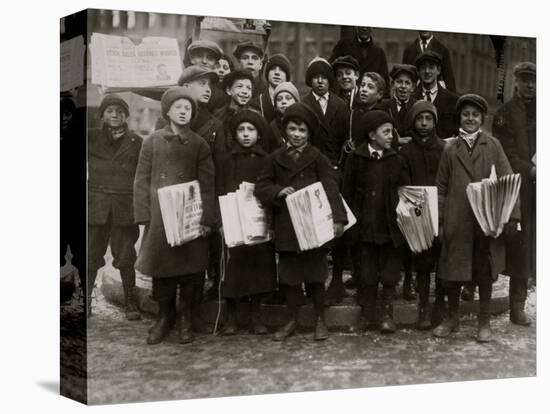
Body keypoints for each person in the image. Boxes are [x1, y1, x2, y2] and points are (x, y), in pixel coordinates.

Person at [255, 102, 347, 341]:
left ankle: (319, 319)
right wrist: (277, 191)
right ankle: (291, 319)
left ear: (309, 134)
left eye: (302, 130)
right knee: (290, 278)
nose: (297, 134)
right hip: (286, 225)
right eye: (293, 129)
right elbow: (261, 187)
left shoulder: (318, 158)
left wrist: (338, 219)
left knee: (315, 276)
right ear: (285, 130)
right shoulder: (274, 159)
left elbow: (331, 187)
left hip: (314, 226)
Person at [433, 94, 520, 342]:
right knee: (453, 272)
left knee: (483, 272)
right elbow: (440, 186)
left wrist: (512, 217)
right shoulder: (450, 148)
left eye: (475, 115)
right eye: (465, 114)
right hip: (456, 220)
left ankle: (484, 322)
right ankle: (452, 318)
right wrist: (440, 221)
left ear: (482, 119)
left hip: (486, 222)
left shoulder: (492, 146)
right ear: (459, 118)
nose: (470, 119)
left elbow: (509, 181)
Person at [134, 88, 216, 345]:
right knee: (163, 271)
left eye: (188, 108)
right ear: (167, 111)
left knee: (191, 271)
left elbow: (208, 183)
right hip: (161, 218)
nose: (183, 112)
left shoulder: (199, 144)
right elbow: (141, 179)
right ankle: (165, 316)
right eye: (178, 107)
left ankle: (185, 318)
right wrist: (144, 215)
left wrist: (206, 220)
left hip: (190, 217)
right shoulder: (153, 142)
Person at [342, 110, 410, 334]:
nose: (391, 136)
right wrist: (349, 223)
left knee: (389, 272)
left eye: (392, 131)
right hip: (364, 228)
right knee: (366, 273)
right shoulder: (356, 159)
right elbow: (347, 192)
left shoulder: (396, 160)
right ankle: (366, 315)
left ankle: (387, 314)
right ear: (372, 135)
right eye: (386, 132)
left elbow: (406, 192)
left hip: (389, 228)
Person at [216, 109, 277, 335]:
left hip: (258, 221)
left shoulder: (266, 159)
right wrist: (221, 221)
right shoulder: (226, 159)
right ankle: (231, 316)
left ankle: (255, 315)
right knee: (235, 268)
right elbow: (220, 189)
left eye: (250, 130)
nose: (245, 134)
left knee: (260, 267)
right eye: (241, 130)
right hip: (234, 221)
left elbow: (269, 187)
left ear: (259, 134)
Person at [88, 94, 143, 320]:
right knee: (90, 255)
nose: (114, 115)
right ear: (102, 114)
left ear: (126, 116)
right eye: (110, 110)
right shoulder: (90, 137)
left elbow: (142, 175)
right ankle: (86, 299)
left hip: (124, 205)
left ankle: (130, 302)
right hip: (96, 205)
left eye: (119, 111)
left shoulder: (136, 142)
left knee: (125, 255)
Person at [492, 62, 536, 325]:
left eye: (534, 81)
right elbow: (506, 154)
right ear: (516, 81)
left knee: (533, 246)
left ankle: (521, 300)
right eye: (525, 80)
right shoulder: (504, 114)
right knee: (518, 246)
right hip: (519, 189)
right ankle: (515, 307)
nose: (530, 85)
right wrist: (529, 171)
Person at [177, 65, 225, 304]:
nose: (208, 89)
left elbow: (220, 168)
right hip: (175, 200)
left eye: (210, 84)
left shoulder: (215, 125)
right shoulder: (169, 121)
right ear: (186, 87)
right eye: (202, 84)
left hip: (204, 199)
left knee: (201, 253)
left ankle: (194, 306)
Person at [399, 101, 446, 329]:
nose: (424, 123)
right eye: (420, 119)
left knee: (442, 261)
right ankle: (423, 308)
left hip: (440, 213)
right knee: (423, 263)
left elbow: (447, 180)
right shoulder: (407, 151)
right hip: (417, 214)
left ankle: (440, 305)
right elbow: (404, 182)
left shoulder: (444, 148)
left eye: (429, 119)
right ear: (413, 122)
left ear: (435, 121)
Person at [302, 56, 349, 165]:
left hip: (335, 163)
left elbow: (344, 138)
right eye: (316, 77)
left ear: (329, 80)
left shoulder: (341, 105)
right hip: (310, 163)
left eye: (324, 77)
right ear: (310, 80)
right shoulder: (303, 104)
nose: (320, 81)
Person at [329, 26, 390, 96]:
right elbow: (331, 70)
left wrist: (384, 103)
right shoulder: (343, 45)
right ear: (356, 27)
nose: (364, 28)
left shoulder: (379, 53)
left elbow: (385, 82)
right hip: (344, 95)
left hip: (368, 98)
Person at [413, 50, 458, 139]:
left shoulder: (453, 100)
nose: (427, 71)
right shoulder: (412, 99)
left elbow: (457, 133)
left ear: (438, 70)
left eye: (431, 67)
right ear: (418, 72)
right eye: (423, 68)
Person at [185, 39, 227, 112]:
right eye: (199, 56)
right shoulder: (183, 81)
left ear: (215, 64)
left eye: (210, 58)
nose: (204, 61)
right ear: (191, 59)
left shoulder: (220, 95)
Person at [250, 53, 292, 123]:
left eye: (281, 70)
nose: (277, 73)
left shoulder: (294, 103)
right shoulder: (256, 103)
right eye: (273, 69)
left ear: (287, 76)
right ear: (267, 73)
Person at [382, 64, 418, 140]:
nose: (403, 86)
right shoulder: (384, 106)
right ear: (392, 84)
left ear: (413, 87)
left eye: (407, 83)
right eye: (399, 82)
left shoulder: (417, 107)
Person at [269, 81, 301, 148]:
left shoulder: (305, 123)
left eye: (288, 98)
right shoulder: (272, 127)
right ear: (275, 106)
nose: (283, 101)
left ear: (296, 101)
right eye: (279, 99)